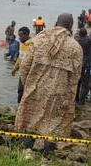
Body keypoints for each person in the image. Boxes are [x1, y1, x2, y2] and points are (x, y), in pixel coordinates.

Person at [15, 13, 82, 154]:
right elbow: (75, 77)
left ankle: (25, 151)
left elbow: (24, 66)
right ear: (71, 26)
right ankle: (47, 154)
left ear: (56, 22)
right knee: (54, 123)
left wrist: (28, 84)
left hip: (35, 89)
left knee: (30, 119)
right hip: (59, 94)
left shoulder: (39, 40)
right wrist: (70, 97)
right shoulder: (75, 47)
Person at [11, 27, 32, 103]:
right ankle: (19, 107)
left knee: (28, 92)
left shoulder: (33, 45)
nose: (19, 38)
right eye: (19, 36)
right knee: (20, 90)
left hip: (30, 73)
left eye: (21, 36)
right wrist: (15, 68)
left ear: (26, 35)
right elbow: (20, 57)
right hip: (22, 72)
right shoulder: (22, 44)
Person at [75, 28, 91, 104]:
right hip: (86, 64)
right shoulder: (88, 40)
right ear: (86, 34)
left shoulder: (77, 42)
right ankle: (81, 101)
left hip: (78, 64)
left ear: (80, 34)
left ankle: (76, 98)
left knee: (78, 82)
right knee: (85, 83)